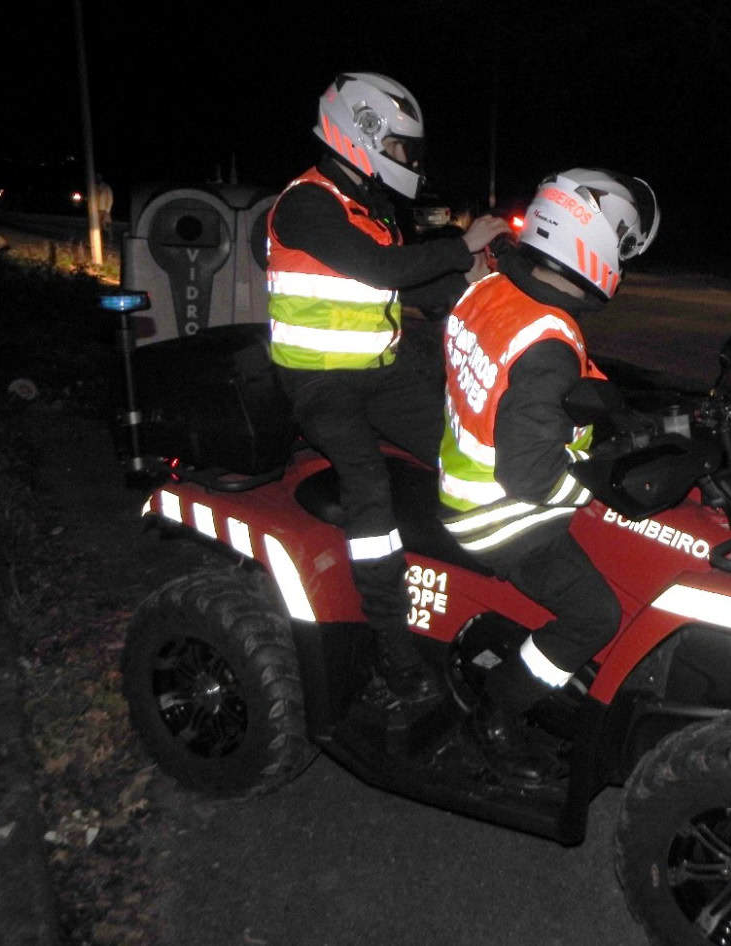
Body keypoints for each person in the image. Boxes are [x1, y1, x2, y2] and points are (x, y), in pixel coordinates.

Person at [266, 71, 506, 702]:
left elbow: (408, 285)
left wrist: (483, 293)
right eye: (401, 146)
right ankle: (391, 648)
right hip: (321, 385)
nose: (408, 160)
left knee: (463, 453)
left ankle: (482, 584)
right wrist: (460, 246)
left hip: (380, 374)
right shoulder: (306, 203)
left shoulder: (369, 208)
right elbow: (378, 267)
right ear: (360, 135)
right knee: (370, 491)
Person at [438, 168, 659, 781]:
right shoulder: (548, 346)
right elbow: (532, 478)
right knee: (597, 615)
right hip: (499, 517)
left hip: (464, 478)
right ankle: (499, 709)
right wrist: (597, 488)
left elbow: (524, 379)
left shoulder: (494, 291)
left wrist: (611, 407)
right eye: (623, 246)